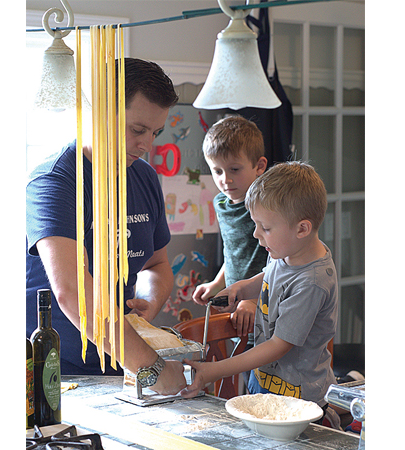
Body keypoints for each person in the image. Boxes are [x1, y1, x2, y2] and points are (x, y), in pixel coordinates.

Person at [26, 58, 185, 395]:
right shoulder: (53, 181)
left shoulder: (144, 177)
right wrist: (153, 369)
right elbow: (73, 291)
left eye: (155, 133)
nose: (147, 145)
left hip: (118, 362)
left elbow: (157, 266)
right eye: (137, 130)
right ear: (99, 112)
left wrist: (148, 305)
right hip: (53, 370)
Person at [182, 161, 338, 409]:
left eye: (265, 227)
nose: (256, 234)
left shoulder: (312, 282)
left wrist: (214, 371)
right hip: (264, 382)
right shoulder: (285, 251)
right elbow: (270, 275)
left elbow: (278, 346)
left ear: (302, 229)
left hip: (297, 400)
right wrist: (242, 288)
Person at [191, 116, 269, 338]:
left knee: (265, 370)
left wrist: (254, 299)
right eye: (217, 171)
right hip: (237, 307)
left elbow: (283, 262)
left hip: (266, 307)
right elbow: (234, 253)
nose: (225, 179)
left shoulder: (268, 205)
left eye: (234, 169)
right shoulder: (221, 204)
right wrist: (217, 283)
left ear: (259, 166)